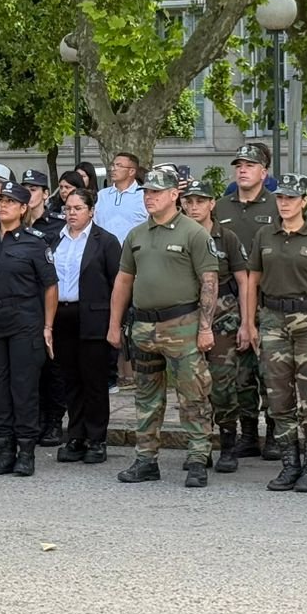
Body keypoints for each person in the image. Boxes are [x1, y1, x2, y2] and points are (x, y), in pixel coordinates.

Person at [106, 167, 218, 488]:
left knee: (193, 394)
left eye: (156, 192)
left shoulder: (193, 233)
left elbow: (209, 282)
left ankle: (197, 458)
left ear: (174, 195)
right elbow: (123, 281)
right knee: (147, 396)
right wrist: (114, 324)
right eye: (146, 192)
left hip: (183, 325)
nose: (149, 197)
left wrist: (205, 328)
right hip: (143, 326)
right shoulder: (137, 235)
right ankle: (146, 459)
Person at [243, 174, 307, 494]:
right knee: (278, 396)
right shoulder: (264, 235)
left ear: (304, 201)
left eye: (291, 198)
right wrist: (250, 322)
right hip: (273, 319)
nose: (284, 203)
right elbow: (253, 280)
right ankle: (290, 464)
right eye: (281, 198)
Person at [0, 181, 59, 477]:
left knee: (23, 388)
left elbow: (50, 286)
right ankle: (5, 449)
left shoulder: (34, 242)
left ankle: (26, 451)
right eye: (0, 201)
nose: (3, 206)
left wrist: (47, 326)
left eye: (10, 202)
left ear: (23, 208)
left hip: (24, 321)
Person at [214, 143, 280, 462]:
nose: (242, 170)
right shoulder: (221, 207)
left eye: (250, 165)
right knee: (241, 373)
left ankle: (275, 435)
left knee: (271, 371)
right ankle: (249, 434)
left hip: (270, 298)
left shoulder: (277, 204)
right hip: (231, 301)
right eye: (239, 165)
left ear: (263, 172)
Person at [179, 181, 248, 472]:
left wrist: (246, 323)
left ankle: (228, 445)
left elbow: (243, 280)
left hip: (223, 318)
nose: (194, 207)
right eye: (189, 201)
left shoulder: (226, 237)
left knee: (222, 384)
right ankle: (200, 447)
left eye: (200, 201)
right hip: (187, 315)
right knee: (192, 385)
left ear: (212, 204)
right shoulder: (179, 233)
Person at [51, 186, 122, 465]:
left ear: (91, 211)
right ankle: (76, 436)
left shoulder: (105, 241)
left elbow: (118, 283)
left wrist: (116, 322)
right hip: (62, 315)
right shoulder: (56, 239)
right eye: (68, 208)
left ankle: (96, 438)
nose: (72, 213)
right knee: (71, 380)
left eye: (78, 208)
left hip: (93, 316)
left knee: (94, 381)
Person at [93, 152, 147, 243]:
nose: (113, 169)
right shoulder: (102, 195)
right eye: (113, 165)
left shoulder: (144, 195)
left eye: (119, 165)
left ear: (131, 171)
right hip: (102, 249)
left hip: (133, 249)